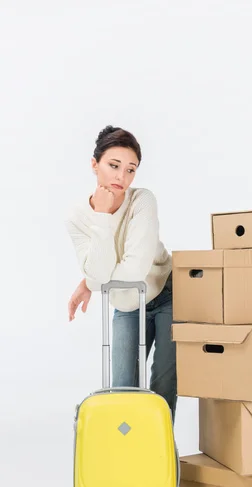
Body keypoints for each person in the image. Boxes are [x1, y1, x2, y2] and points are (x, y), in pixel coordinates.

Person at [66, 125, 177, 423]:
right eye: (113, 166)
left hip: (167, 294)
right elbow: (106, 274)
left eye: (131, 170)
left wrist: (92, 281)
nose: (122, 177)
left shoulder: (143, 201)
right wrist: (102, 216)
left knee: (164, 386)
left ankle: (158, 460)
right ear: (95, 164)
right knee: (123, 389)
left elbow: (132, 272)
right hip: (127, 304)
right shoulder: (78, 217)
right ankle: (129, 457)